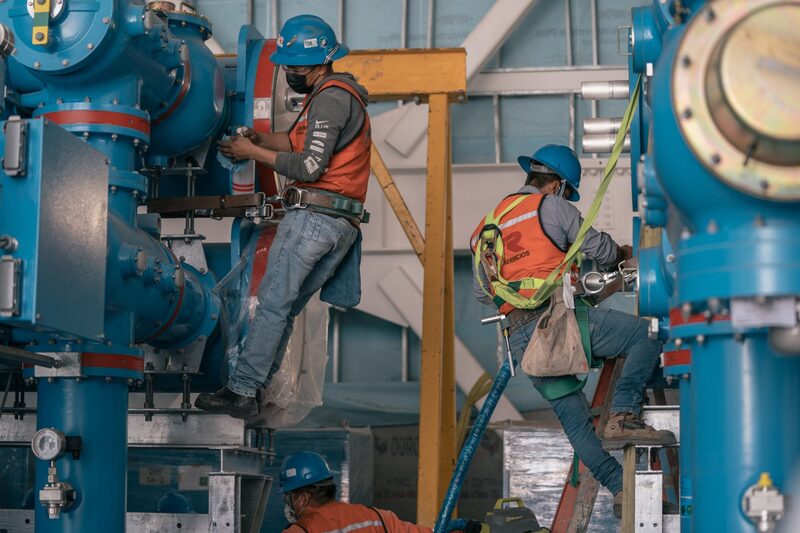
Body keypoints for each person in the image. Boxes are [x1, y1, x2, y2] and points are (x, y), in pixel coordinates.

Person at [470, 144, 676, 517]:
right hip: (558, 325)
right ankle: (623, 415)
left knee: (575, 421)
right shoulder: (552, 207)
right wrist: (624, 255)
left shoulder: (486, 226)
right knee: (643, 335)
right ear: (559, 186)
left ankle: (621, 488)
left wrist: (556, 284)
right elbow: (600, 248)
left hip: (519, 339)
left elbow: (483, 292)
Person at [196, 14, 371, 418]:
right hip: (340, 224)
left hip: (315, 217)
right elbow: (296, 143)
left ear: (320, 63)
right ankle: (254, 389)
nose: (290, 72)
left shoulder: (330, 96)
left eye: (295, 66)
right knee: (285, 308)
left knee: (273, 303)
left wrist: (250, 154)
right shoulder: (334, 97)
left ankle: (240, 390)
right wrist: (258, 139)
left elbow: (309, 166)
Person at [278, 451, 437, 533]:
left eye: (290, 497)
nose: (288, 504)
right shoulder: (377, 518)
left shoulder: (300, 531)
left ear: (304, 498)